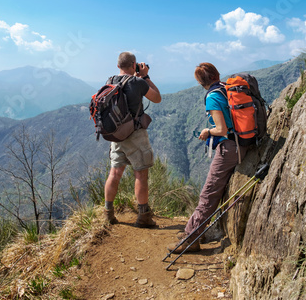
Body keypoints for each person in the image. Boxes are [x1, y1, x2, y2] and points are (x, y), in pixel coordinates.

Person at [167, 62, 248, 252]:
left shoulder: (212, 96)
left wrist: (207, 131)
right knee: (212, 191)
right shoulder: (226, 88)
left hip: (229, 148)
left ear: (200, 81)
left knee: (208, 192)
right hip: (242, 143)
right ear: (216, 75)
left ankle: (191, 238)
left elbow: (221, 129)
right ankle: (195, 230)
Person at [103, 51, 161, 228]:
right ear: (134, 64)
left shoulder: (110, 80)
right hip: (135, 134)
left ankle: (108, 214)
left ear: (118, 65)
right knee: (141, 174)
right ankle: (143, 216)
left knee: (114, 173)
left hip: (117, 134)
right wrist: (145, 76)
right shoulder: (138, 82)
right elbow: (157, 98)